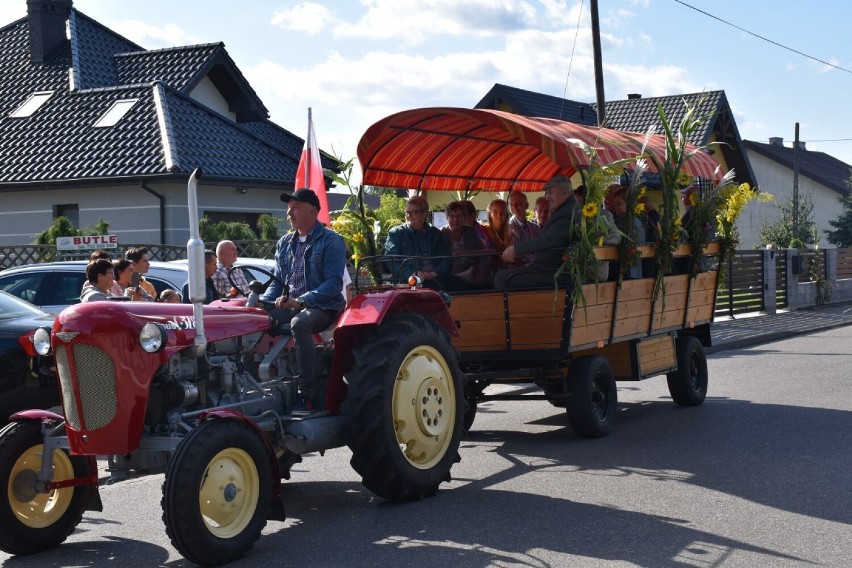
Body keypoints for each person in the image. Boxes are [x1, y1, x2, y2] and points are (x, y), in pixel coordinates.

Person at [260, 188, 346, 414]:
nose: (289, 213)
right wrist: (262, 303)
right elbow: (277, 282)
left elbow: (334, 284)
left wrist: (300, 301)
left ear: (313, 211)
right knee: (253, 320)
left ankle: (305, 394)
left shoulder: (332, 240)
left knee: (300, 323)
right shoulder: (285, 243)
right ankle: (257, 388)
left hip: (323, 306)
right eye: (289, 209)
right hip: (290, 305)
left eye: (295, 208)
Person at [495, 175, 581, 289]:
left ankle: (521, 307)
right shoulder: (567, 209)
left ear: (565, 192)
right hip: (551, 267)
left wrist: (516, 249)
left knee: (502, 277)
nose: (547, 197)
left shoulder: (567, 212)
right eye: (547, 193)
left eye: (550, 192)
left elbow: (549, 240)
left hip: (557, 272)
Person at [384, 196, 451, 286]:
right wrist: (411, 274)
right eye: (408, 212)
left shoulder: (435, 234)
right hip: (408, 282)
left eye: (414, 212)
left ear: (425, 214)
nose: (409, 216)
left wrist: (435, 273)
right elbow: (391, 261)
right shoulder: (396, 233)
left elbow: (446, 258)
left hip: (435, 280)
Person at [440, 201, 490, 290]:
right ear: (447, 218)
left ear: (464, 218)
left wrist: (480, 272)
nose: (455, 220)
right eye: (452, 216)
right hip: (449, 276)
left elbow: (482, 254)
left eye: (459, 216)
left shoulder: (470, 232)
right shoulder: (441, 234)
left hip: (471, 274)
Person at [507, 191, 540, 266]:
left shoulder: (535, 227)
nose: (514, 207)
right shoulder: (508, 228)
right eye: (511, 204)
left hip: (538, 266)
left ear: (527, 205)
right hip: (520, 269)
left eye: (518, 204)